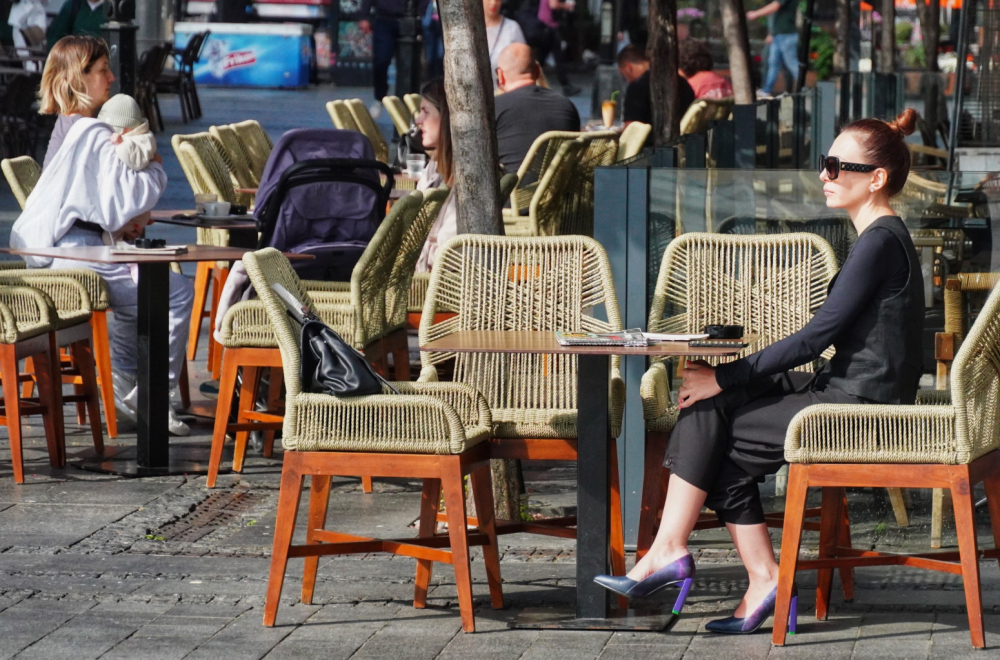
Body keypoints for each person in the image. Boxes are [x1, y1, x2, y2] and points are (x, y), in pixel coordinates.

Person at [594, 109, 924, 635]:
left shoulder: (880, 241)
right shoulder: (877, 238)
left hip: (861, 405)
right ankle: (678, 551)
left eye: (837, 166)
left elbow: (815, 338)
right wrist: (721, 382)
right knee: (710, 404)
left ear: (876, 178)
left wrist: (725, 377)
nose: (824, 175)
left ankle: (731, 568)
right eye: (825, 163)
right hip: (843, 386)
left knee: (719, 429)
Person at [13, 35, 195, 436]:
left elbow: (93, 201)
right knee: (177, 293)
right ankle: (152, 395)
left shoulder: (66, 127)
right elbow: (123, 202)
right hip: (79, 256)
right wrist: (155, 165)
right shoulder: (92, 132)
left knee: (138, 300)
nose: (111, 78)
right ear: (79, 78)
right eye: (101, 71)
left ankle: (125, 390)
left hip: (65, 252)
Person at [494, 43, 579, 177]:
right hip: (561, 189)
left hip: (512, 189)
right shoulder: (566, 105)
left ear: (500, 75)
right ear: (538, 71)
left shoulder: (494, 108)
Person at [413, 79, 457, 273]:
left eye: (426, 111)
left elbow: (450, 256)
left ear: (447, 117)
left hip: (436, 282)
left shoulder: (466, 179)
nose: (418, 120)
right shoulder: (434, 166)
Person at [358, 0, 431, 115]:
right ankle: (379, 97)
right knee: (381, 61)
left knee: (408, 65)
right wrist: (364, 16)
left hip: (409, 19)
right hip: (384, 19)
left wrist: (419, 13)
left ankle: (406, 102)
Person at [617, 45, 694, 127]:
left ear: (629, 67)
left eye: (624, 75)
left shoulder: (637, 87)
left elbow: (631, 129)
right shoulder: (682, 82)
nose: (628, 81)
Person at [517, 0, 579, 96]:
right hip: (549, 28)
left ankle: (528, 81)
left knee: (541, 58)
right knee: (558, 57)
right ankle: (566, 85)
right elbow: (554, 4)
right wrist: (568, 6)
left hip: (543, 28)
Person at [748, 0, 799, 97]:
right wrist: (771, 33)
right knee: (773, 63)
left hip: (786, 35)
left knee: (791, 64)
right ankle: (766, 90)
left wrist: (755, 14)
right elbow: (775, 15)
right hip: (778, 36)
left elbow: (775, 6)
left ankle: (805, 87)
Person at [97, 94, 157, 172]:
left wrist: (122, 143)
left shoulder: (144, 140)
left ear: (131, 128)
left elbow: (137, 161)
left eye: (115, 130)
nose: (110, 135)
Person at [484, 0, 525, 88]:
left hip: (504, 90)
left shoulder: (512, 27)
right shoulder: (469, 29)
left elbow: (523, 62)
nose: (493, 3)